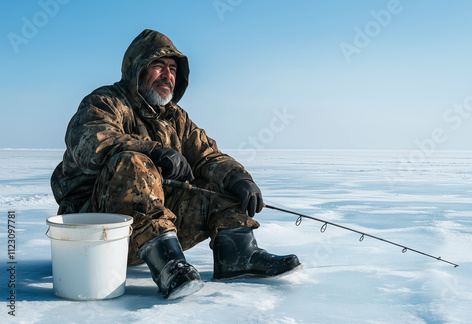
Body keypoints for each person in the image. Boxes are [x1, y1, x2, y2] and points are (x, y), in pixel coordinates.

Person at [50, 29, 300, 299]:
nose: (167, 75)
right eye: (158, 65)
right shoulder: (104, 102)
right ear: (137, 69)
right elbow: (90, 142)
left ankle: (238, 256)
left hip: (148, 231)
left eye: (172, 68)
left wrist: (239, 178)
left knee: (220, 182)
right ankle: (170, 266)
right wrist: (155, 152)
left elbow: (208, 155)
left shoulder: (175, 118)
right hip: (97, 236)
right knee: (133, 161)